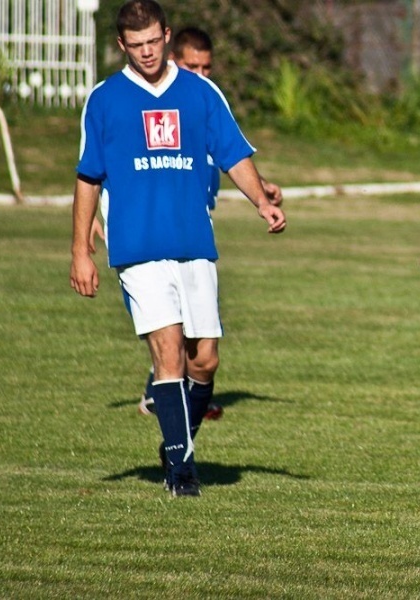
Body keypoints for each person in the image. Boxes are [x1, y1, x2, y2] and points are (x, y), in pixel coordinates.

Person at [70, 0, 286, 498]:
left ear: (166, 35)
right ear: (122, 45)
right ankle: (180, 468)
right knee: (167, 353)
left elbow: (233, 153)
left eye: (154, 41)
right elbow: (87, 178)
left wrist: (261, 202)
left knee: (204, 359)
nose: (147, 52)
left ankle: (177, 439)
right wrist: (80, 250)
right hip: (138, 249)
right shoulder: (105, 100)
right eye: (136, 45)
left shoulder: (200, 93)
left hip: (194, 245)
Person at [131, 25, 284, 420]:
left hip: (196, 224)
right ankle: (161, 394)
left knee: (197, 331)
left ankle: (176, 398)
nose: (201, 74)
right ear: (172, 58)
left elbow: (226, 152)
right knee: (172, 321)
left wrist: (260, 188)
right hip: (153, 228)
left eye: (207, 67)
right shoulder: (144, 98)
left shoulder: (203, 98)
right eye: (191, 65)